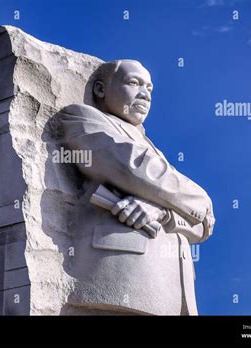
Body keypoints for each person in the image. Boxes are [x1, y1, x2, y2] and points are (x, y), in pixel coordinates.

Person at [59, 60, 215, 315]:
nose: (145, 94)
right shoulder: (82, 118)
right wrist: (202, 198)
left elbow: (203, 226)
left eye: (150, 89)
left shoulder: (155, 150)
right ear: (100, 89)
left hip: (175, 294)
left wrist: (163, 212)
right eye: (134, 83)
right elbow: (134, 169)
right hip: (119, 279)